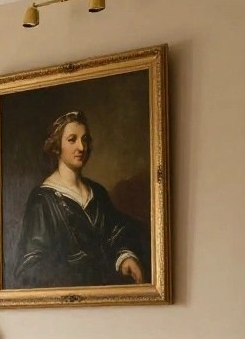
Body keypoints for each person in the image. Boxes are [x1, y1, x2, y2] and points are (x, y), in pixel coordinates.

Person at [13, 110, 147, 289]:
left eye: (85, 139)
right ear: (56, 146)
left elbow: (117, 232)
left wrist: (125, 256)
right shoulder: (42, 199)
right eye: (72, 140)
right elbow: (30, 268)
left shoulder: (97, 193)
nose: (82, 147)